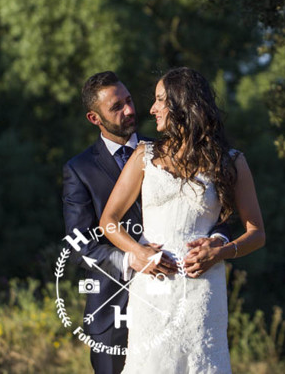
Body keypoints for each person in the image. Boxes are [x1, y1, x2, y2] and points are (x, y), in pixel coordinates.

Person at [100, 67, 266, 374]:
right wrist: (137, 252)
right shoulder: (144, 155)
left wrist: (221, 252)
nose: (151, 109)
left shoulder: (231, 162)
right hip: (152, 288)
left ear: (183, 104)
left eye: (161, 100)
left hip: (202, 290)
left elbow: (256, 233)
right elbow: (108, 220)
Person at [63, 71, 231, 374]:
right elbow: (79, 245)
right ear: (94, 117)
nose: (129, 110)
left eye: (128, 100)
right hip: (112, 308)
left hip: (179, 296)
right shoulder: (80, 169)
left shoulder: (170, 150)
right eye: (116, 107)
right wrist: (133, 256)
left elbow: (214, 213)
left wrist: (216, 242)